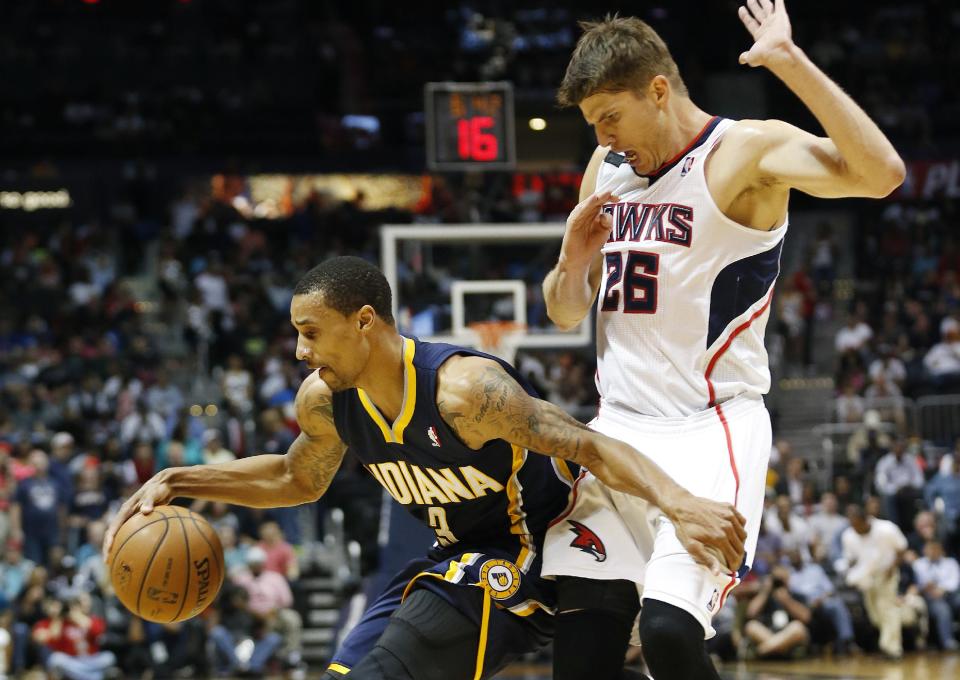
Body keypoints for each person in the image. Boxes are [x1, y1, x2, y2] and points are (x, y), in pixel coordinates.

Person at [105, 257, 746, 680]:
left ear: (363, 323)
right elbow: (297, 479)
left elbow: (591, 447)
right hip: (455, 558)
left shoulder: (466, 391)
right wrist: (181, 479)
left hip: (540, 555)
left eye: (312, 332)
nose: (301, 351)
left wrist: (680, 504)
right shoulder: (326, 402)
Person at [541, 0, 904, 680]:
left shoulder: (742, 154)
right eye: (593, 124)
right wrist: (572, 261)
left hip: (710, 429)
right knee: (582, 653)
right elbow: (563, 313)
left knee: (672, 635)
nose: (603, 138)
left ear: (657, 91)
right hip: (618, 433)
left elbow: (882, 175)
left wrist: (789, 63)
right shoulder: (608, 171)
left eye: (610, 117)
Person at [836, 504, 908, 659]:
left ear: (865, 520)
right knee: (875, 615)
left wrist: (893, 566)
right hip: (866, 577)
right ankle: (893, 634)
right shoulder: (848, 536)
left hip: (886, 573)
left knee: (887, 608)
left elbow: (902, 549)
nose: (854, 528)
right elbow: (851, 559)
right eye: (852, 525)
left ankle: (892, 648)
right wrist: (849, 571)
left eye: (857, 524)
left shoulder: (886, 529)